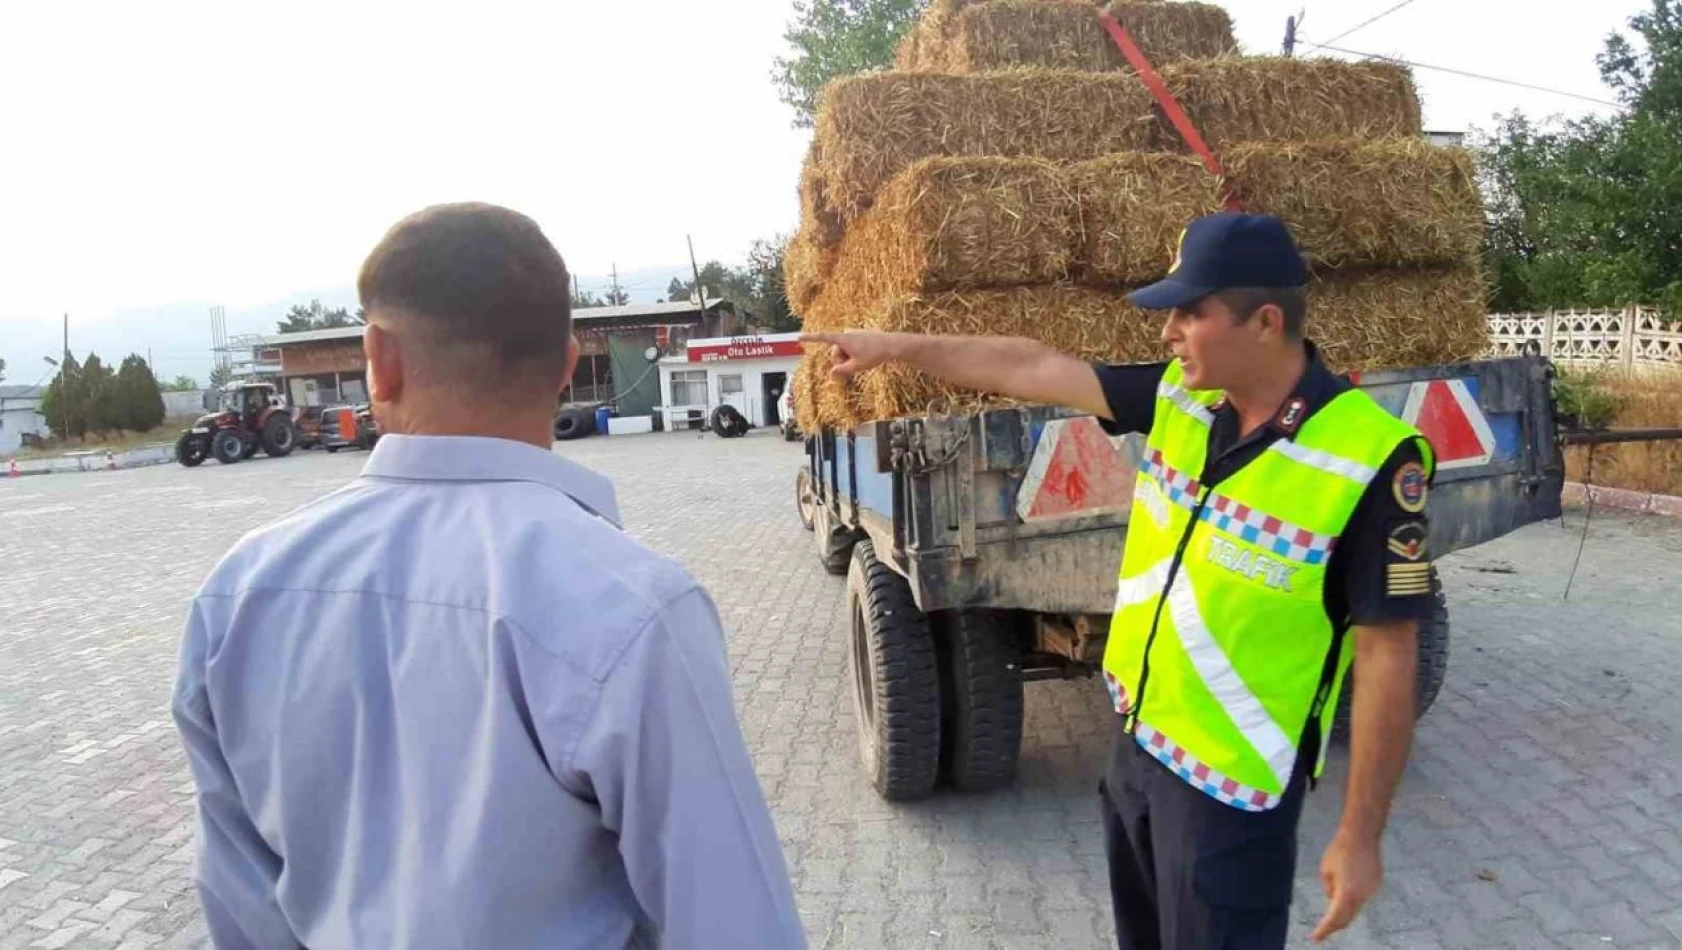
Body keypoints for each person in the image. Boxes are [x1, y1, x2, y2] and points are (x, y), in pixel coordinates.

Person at [173, 202, 806, 950]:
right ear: (568, 367)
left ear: (380, 358)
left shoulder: (238, 596)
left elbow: (241, 909)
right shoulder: (633, 609)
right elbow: (732, 924)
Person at [803, 212, 1433, 949]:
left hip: (1231, 793)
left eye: (1190, 314)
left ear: (1265, 322)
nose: (1168, 332)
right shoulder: (1183, 402)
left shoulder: (1370, 459)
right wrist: (892, 348)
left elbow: (1390, 659)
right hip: (1138, 749)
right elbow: (1028, 368)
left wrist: (1360, 838)